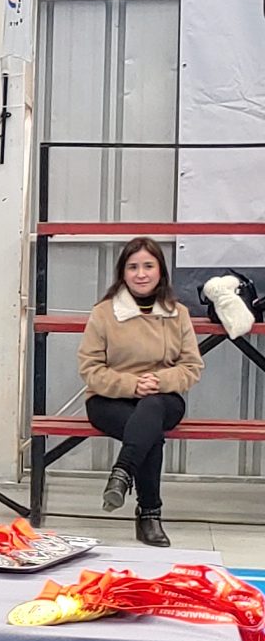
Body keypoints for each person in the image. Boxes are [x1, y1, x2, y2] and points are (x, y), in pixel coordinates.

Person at [78, 235, 202, 549]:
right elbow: (90, 369)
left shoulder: (178, 314)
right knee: (150, 434)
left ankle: (122, 472)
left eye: (148, 265)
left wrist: (158, 381)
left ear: (161, 271)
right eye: (133, 267)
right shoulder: (104, 313)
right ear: (123, 273)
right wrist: (131, 384)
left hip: (163, 398)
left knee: (150, 411)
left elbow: (191, 367)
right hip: (109, 399)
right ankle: (150, 514)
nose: (141, 273)